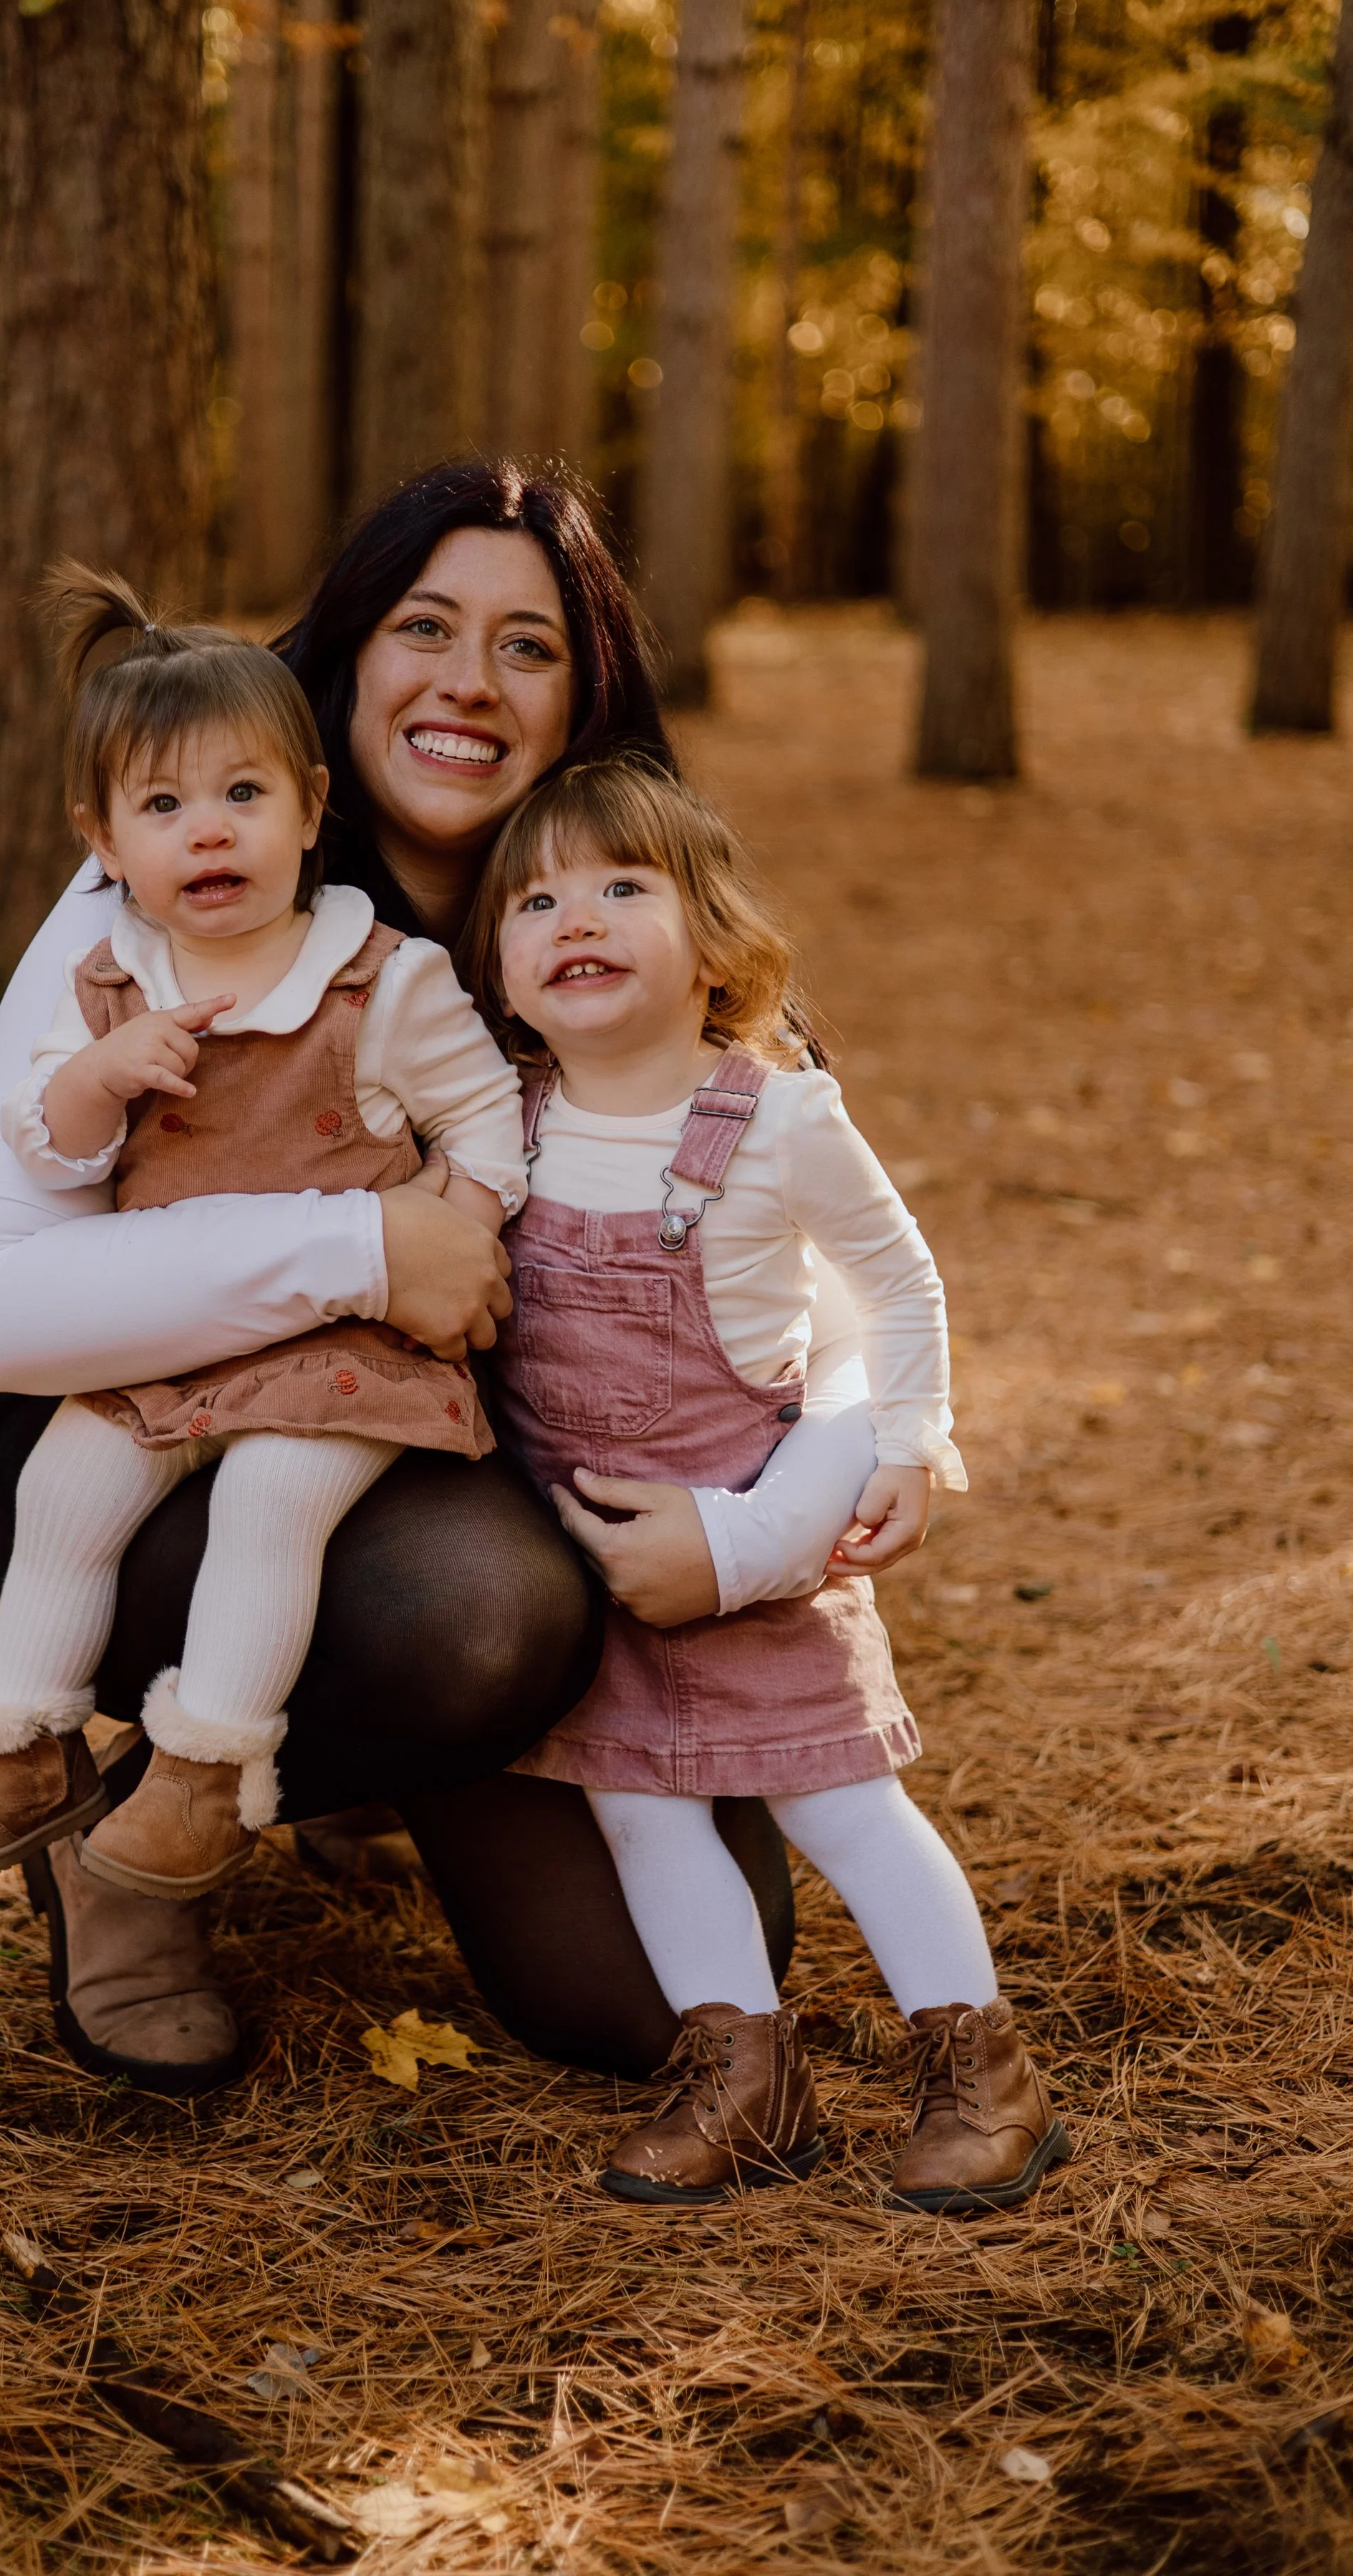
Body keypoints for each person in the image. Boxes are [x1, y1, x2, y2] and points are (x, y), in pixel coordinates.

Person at [0, 459, 905, 2100]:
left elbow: (834, 1284)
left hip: (494, 1474)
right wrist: (364, 1244)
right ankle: (129, 1836)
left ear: (584, 698)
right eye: (423, 627)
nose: (468, 680)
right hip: (159, 1451)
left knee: (646, 2009)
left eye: (525, 647)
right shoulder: (170, 890)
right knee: (472, 1614)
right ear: (347, 660)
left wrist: (767, 1522)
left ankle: (364, 1760)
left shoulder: (632, 918)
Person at [469, 756, 1069, 2215]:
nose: (577, 917)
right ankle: (742, 2073)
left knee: (842, 1806)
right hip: (600, 1570)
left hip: (757, 1550)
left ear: (713, 948)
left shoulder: (773, 1119)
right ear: (501, 971)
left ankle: (979, 2067)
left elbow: (897, 1280)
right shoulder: (507, 1124)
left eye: (622, 886)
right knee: (639, 1810)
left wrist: (909, 1442)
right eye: (536, 897)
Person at [0, 568, 525, 1894]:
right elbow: (47, 1147)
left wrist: (458, 1232)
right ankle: (27, 1744)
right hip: (172, 1344)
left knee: (268, 1500)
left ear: (311, 810)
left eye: (244, 796)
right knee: (64, 1491)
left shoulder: (379, 976)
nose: (209, 834)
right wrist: (96, 1077)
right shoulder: (108, 977)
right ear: (103, 838)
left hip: (347, 1349)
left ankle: (204, 1773)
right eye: (164, 806)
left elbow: (489, 1111)